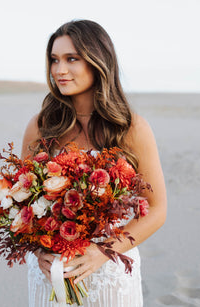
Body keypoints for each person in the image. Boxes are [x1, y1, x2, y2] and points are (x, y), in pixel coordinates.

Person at [21, 19, 167, 307]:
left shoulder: (131, 128)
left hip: (110, 272)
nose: (59, 70)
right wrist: (39, 251)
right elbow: (24, 204)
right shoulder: (41, 127)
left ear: (97, 61)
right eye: (54, 60)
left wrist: (103, 251)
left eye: (71, 59)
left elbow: (157, 209)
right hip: (53, 272)